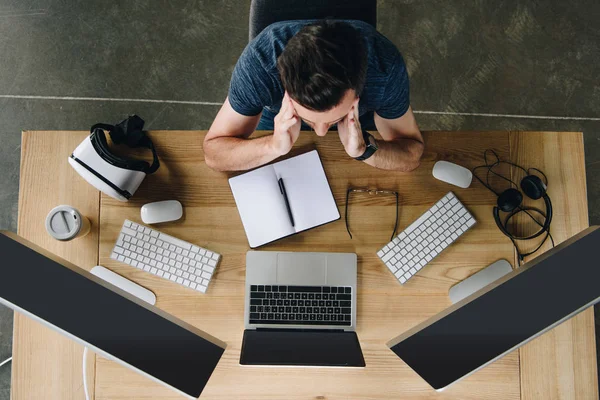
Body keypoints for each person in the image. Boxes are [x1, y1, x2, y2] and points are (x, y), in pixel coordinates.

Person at [204, 19, 424, 172]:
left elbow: (412, 153)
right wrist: (272, 146)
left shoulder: (385, 67)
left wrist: (364, 149)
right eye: (311, 120)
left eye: (331, 120)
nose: (320, 133)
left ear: (358, 93)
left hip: (356, 124)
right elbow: (213, 153)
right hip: (281, 121)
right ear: (287, 93)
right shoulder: (260, 64)